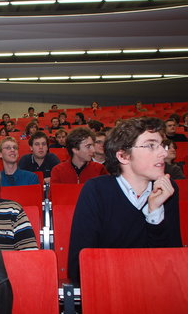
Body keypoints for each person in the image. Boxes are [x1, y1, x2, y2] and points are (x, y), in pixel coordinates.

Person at [68, 117, 182, 284]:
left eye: (162, 145)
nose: (164, 153)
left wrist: (155, 213)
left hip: (155, 290)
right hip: (109, 290)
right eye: (151, 145)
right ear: (123, 156)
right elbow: (79, 267)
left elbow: (171, 263)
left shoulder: (166, 189)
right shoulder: (96, 191)